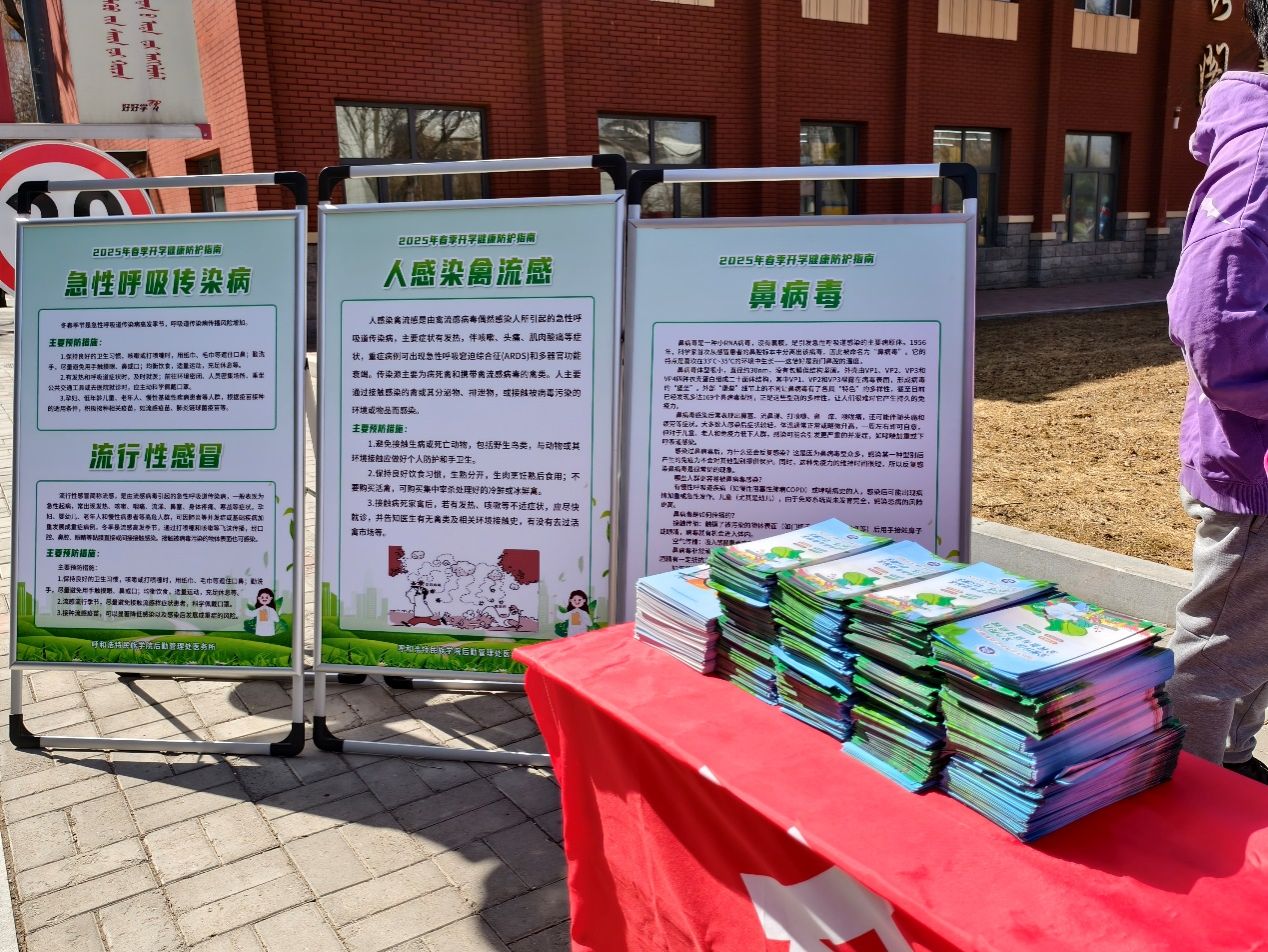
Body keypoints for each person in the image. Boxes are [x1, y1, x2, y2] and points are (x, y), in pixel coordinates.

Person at [1167, 3, 1268, 785]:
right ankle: (1184, 795)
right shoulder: (1263, 156)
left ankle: (1228, 763)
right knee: (1218, 650)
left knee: (1252, 640)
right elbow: (1214, 326)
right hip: (1256, 469)